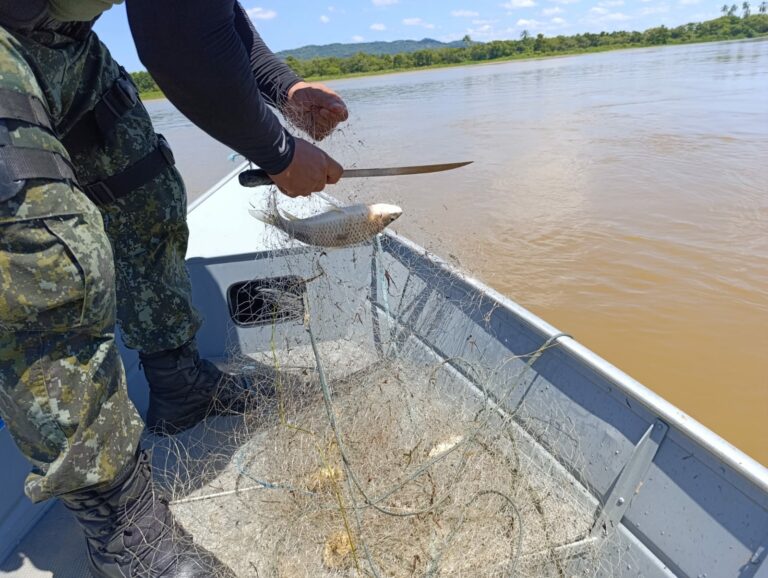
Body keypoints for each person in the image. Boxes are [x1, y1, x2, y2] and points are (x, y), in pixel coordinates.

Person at [0, 0, 347, 576]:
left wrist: (282, 86)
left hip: (64, 41)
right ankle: (119, 527)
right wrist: (279, 153)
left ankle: (179, 385)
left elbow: (208, 13)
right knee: (46, 254)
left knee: (147, 193)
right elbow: (177, 39)